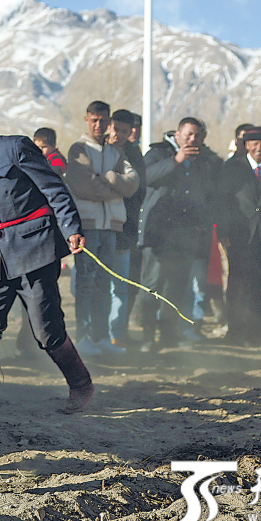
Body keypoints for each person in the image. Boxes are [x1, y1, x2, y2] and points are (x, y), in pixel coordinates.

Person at [0, 90, 90, 415]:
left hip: (34, 251)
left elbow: (54, 189)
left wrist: (72, 230)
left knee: (47, 330)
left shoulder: (15, 146)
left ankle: (81, 385)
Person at [138, 118, 223, 350]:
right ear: (177, 134)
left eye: (197, 136)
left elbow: (210, 194)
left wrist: (202, 223)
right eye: (188, 135)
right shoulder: (158, 152)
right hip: (157, 232)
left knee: (176, 286)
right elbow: (144, 177)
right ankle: (147, 336)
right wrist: (175, 161)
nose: (192, 140)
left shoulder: (205, 160)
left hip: (187, 234)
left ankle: (168, 335)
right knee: (152, 285)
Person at [65, 101, 139, 356]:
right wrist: (113, 187)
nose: (99, 125)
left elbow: (132, 184)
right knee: (86, 283)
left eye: (103, 120)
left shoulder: (116, 152)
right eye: (94, 120)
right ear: (87, 119)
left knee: (104, 283)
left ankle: (101, 337)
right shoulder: (79, 149)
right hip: (88, 225)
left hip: (111, 226)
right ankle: (84, 337)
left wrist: (107, 178)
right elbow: (84, 186)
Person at [217, 127, 261, 345]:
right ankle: (235, 331)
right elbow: (224, 201)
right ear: (246, 145)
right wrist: (223, 231)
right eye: (254, 143)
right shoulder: (232, 168)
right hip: (239, 235)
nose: (259, 148)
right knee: (238, 284)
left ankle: (256, 330)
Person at [105, 109, 145, 348]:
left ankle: (117, 333)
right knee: (93, 286)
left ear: (131, 133)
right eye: (115, 129)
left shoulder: (133, 154)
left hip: (125, 228)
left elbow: (139, 189)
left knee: (121, 284)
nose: (117, 135)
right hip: (95, 227)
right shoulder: (94, 150)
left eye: (123, 131)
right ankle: (94, 334)